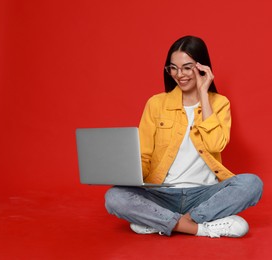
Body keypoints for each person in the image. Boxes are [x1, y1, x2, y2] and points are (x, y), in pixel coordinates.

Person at [105, 35, 263, 238]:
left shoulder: (219, 103)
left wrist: (204, 94)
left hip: (205, 194)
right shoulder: (156, 103)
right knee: (114, 196)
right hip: (161, 193)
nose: (180, 75)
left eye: (187, 67)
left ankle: (160, 221)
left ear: (202, 67)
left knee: (252, 184)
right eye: (173, 68)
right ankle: (200, 228)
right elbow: (143, 156)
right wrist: (126, 173)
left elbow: (216, 144)